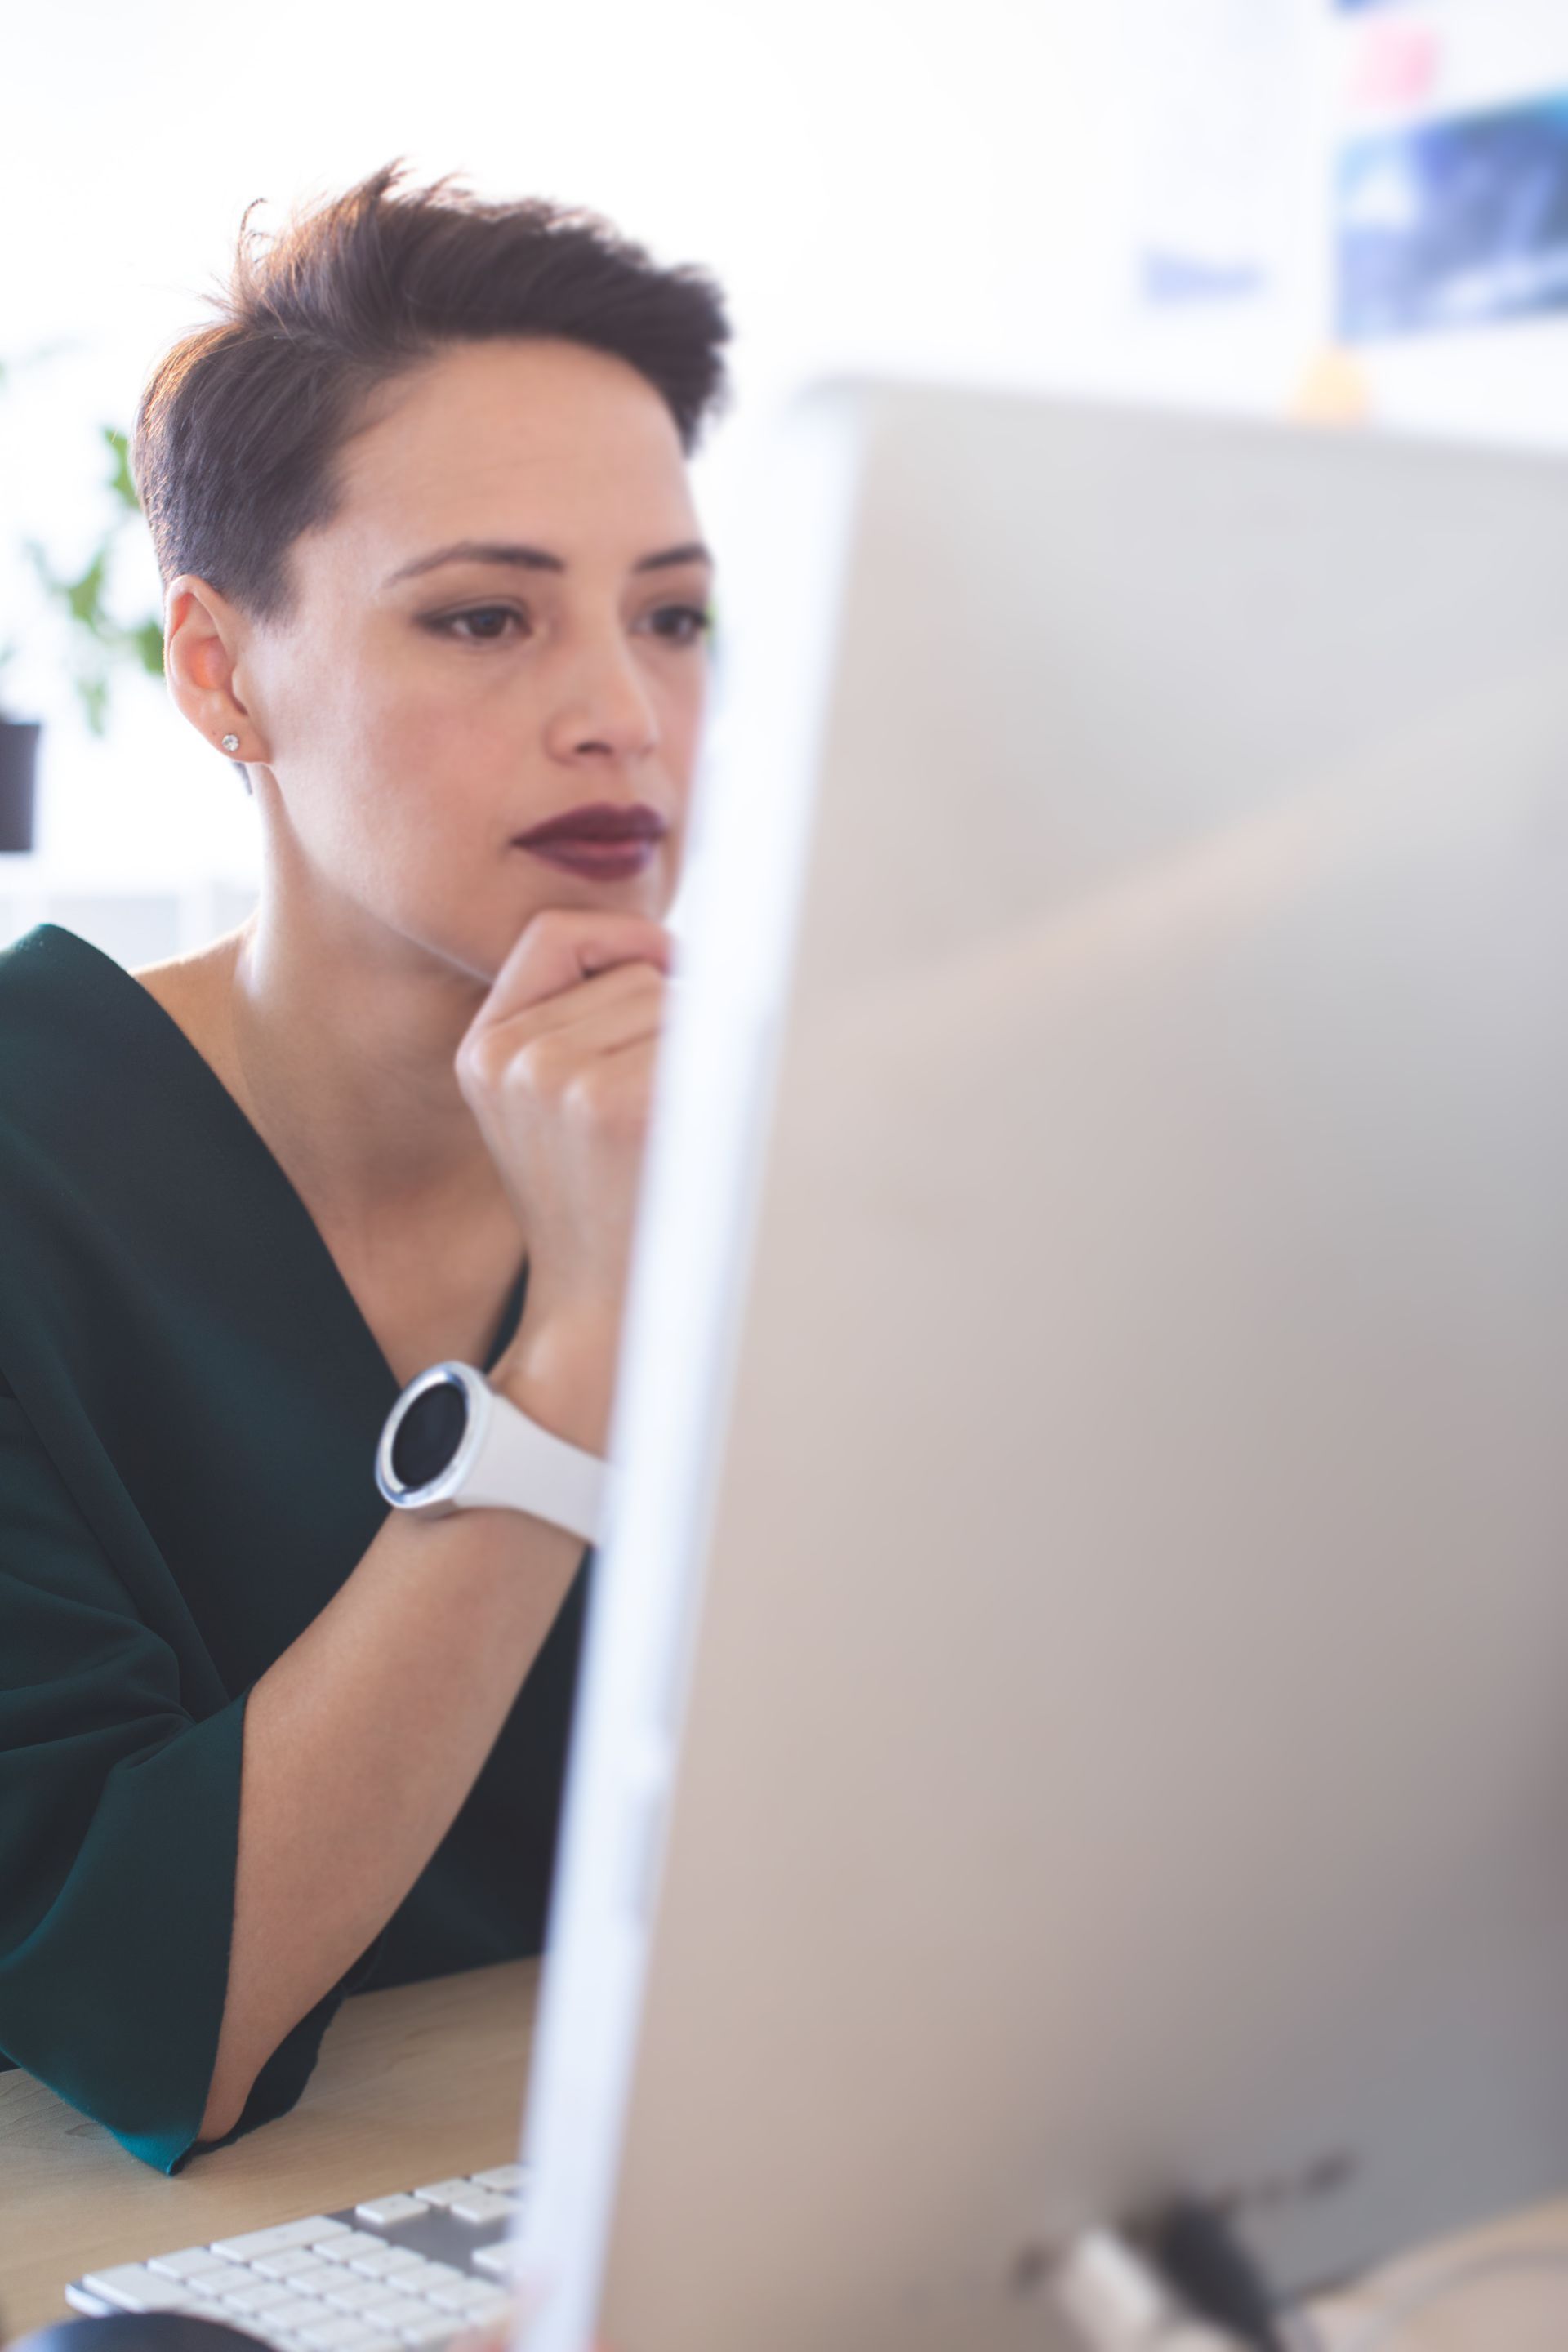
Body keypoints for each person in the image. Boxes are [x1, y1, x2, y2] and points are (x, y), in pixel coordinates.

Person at [0, 158, 731, 2172]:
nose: (624, 720)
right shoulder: (30, 1166)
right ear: (224, 672)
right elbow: (158, 2017)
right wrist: (577, 1364)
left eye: (675, 617)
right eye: (485, 616)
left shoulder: (779, 1122)